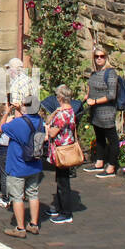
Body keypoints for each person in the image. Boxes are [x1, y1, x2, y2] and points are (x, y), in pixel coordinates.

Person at [1, 101, 45, 238]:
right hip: (34, 164)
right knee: (33, 194)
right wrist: (23, 110)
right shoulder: (39, 121)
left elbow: (1, 128)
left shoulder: (17, 123)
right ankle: (33, 224)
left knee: (17, 197)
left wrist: (7, 112)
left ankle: (20, 228)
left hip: (18, 165)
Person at [83, 46, 120, 177]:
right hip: (96, 112)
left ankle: (111, 166)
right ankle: (99, 162)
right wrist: (87, 96)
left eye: (102, 56)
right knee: (99, 138)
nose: (99, 59)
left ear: (106, 57)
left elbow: (111, 95)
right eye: (96, 56)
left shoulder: (110, 73)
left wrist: (95, 101)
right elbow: (90, 87)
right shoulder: (94, 73)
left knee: (112, 139)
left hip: (107, 112)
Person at [45, 85, 79, 224]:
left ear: (60, 97)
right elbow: (49, 119)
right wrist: (54, 113)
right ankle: (59, 207)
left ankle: (66, 212)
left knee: (63, 182)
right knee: (60, 179)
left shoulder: (63, 115)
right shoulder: (69, 110)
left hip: (62, 150)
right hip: (65, 147)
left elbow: (52, 132)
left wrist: (46, 129)